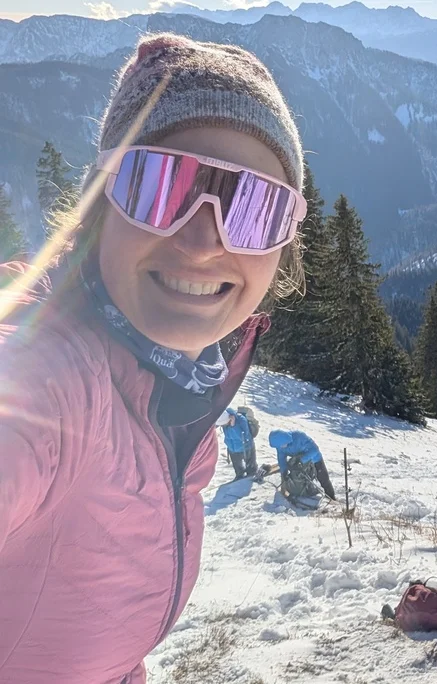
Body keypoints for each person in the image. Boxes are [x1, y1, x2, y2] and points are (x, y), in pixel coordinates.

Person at [0, 33, 306, 683]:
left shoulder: (179, 393)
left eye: (253, 208)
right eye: (160, 184)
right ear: (99, 204)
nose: (201, 241)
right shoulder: (44, 381)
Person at [269, 430, 337, 503]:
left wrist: (301, 460)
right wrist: (284, 471)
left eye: (282, 445)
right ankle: (305, 493)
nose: (281, 447)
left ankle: (331, 497)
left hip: (314, 459)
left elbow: (315, 449)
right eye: (279, 446)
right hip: (299, 464)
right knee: (301, 480)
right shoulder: (280, 446)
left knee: (323, 478)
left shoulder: (299, 437)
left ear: (284, 439)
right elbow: (281, 459)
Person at [218, 406, 257, 479]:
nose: (223, 426)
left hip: (246, 447)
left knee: (251, 468)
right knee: (238, 469)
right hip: (232, 449)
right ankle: (239, 476)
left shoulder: (241, 419)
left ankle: (251, 478)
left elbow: (244, 436)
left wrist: (233, 426)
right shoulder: (223, 418)